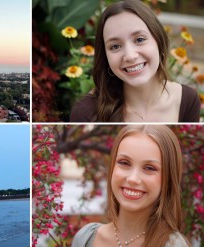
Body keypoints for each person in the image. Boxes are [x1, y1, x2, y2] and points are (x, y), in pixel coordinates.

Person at [70, 0, 200, 122]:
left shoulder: (187, 100)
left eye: (139, 40)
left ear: (159, 42)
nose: (130, 56)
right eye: (115, 46)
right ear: (105, 57)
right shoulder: (86, 113)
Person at [71, 125, 189, 247]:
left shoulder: (174, 245)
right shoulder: (85, 238)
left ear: (168, 178)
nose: (133, 179)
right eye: (124, 163)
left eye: (149, 168)